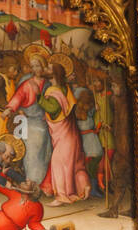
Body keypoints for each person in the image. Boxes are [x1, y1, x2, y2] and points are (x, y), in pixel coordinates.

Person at [40, 60, 89, 204]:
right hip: (69, 134)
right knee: (69, 164)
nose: (45, 69)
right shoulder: (65, 88)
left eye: (48, 67)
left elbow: (54, 110)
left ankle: (62, 196)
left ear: (54, 73)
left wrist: (39, 98)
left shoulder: (53, 91)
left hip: (64, 134)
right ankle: (77, 191)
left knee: (58, 163)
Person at [3, 44, 51, 185]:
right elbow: (18, 97)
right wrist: (10, 109)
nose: (35, 69)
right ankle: (27, 180)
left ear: (43, 66)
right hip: (26, 121)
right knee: (24, 149)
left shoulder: (48, 84)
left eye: (38, 65)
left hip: (41, 122)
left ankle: (37, 182)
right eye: (33, 66)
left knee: (40, 151)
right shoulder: (27, 81)